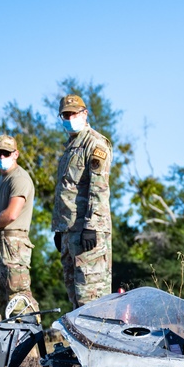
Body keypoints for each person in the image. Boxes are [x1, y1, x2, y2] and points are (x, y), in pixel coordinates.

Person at [53, 94, 113, 309]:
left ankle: (98, 342)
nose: (69, 118)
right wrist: (60, 230)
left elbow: (99, 188)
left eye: (73, 113)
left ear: (85, 114)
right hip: (70, 232)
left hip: (88, 232)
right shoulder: (70, 147)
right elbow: (66, 191)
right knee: (75, 300)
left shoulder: (95, 143)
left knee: (92, 299)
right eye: (65, 114)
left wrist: (92, 226)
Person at [0, 134, 37, 317]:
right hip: (0, 242)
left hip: (14, 243)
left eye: (6, 153)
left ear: (15, 154)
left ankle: (32, 343)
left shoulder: (19, 178)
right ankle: (12, 345)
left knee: (19, 299)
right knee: (2, 302)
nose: (1, 158)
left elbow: (10, 214)